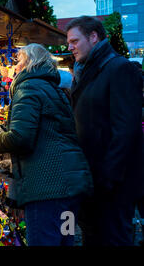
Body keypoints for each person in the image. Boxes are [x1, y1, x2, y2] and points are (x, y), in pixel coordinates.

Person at [0, 43, 93, 246]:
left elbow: (20, 139)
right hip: (69, 189)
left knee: (44, 241)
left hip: (46, 190)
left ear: (28, 63)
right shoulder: (54, 89)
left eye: (18, 61)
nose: (14, 67)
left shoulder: (28, 88)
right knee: (65, 240)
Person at [66, 16, 144, 246]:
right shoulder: (89, 69)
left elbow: (126, 130)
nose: (69, 47)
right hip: (94, 181)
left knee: (112, 239)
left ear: (93, 37)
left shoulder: (119, 68)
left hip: (113, 186)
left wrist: (107, 179)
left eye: (74, 41)